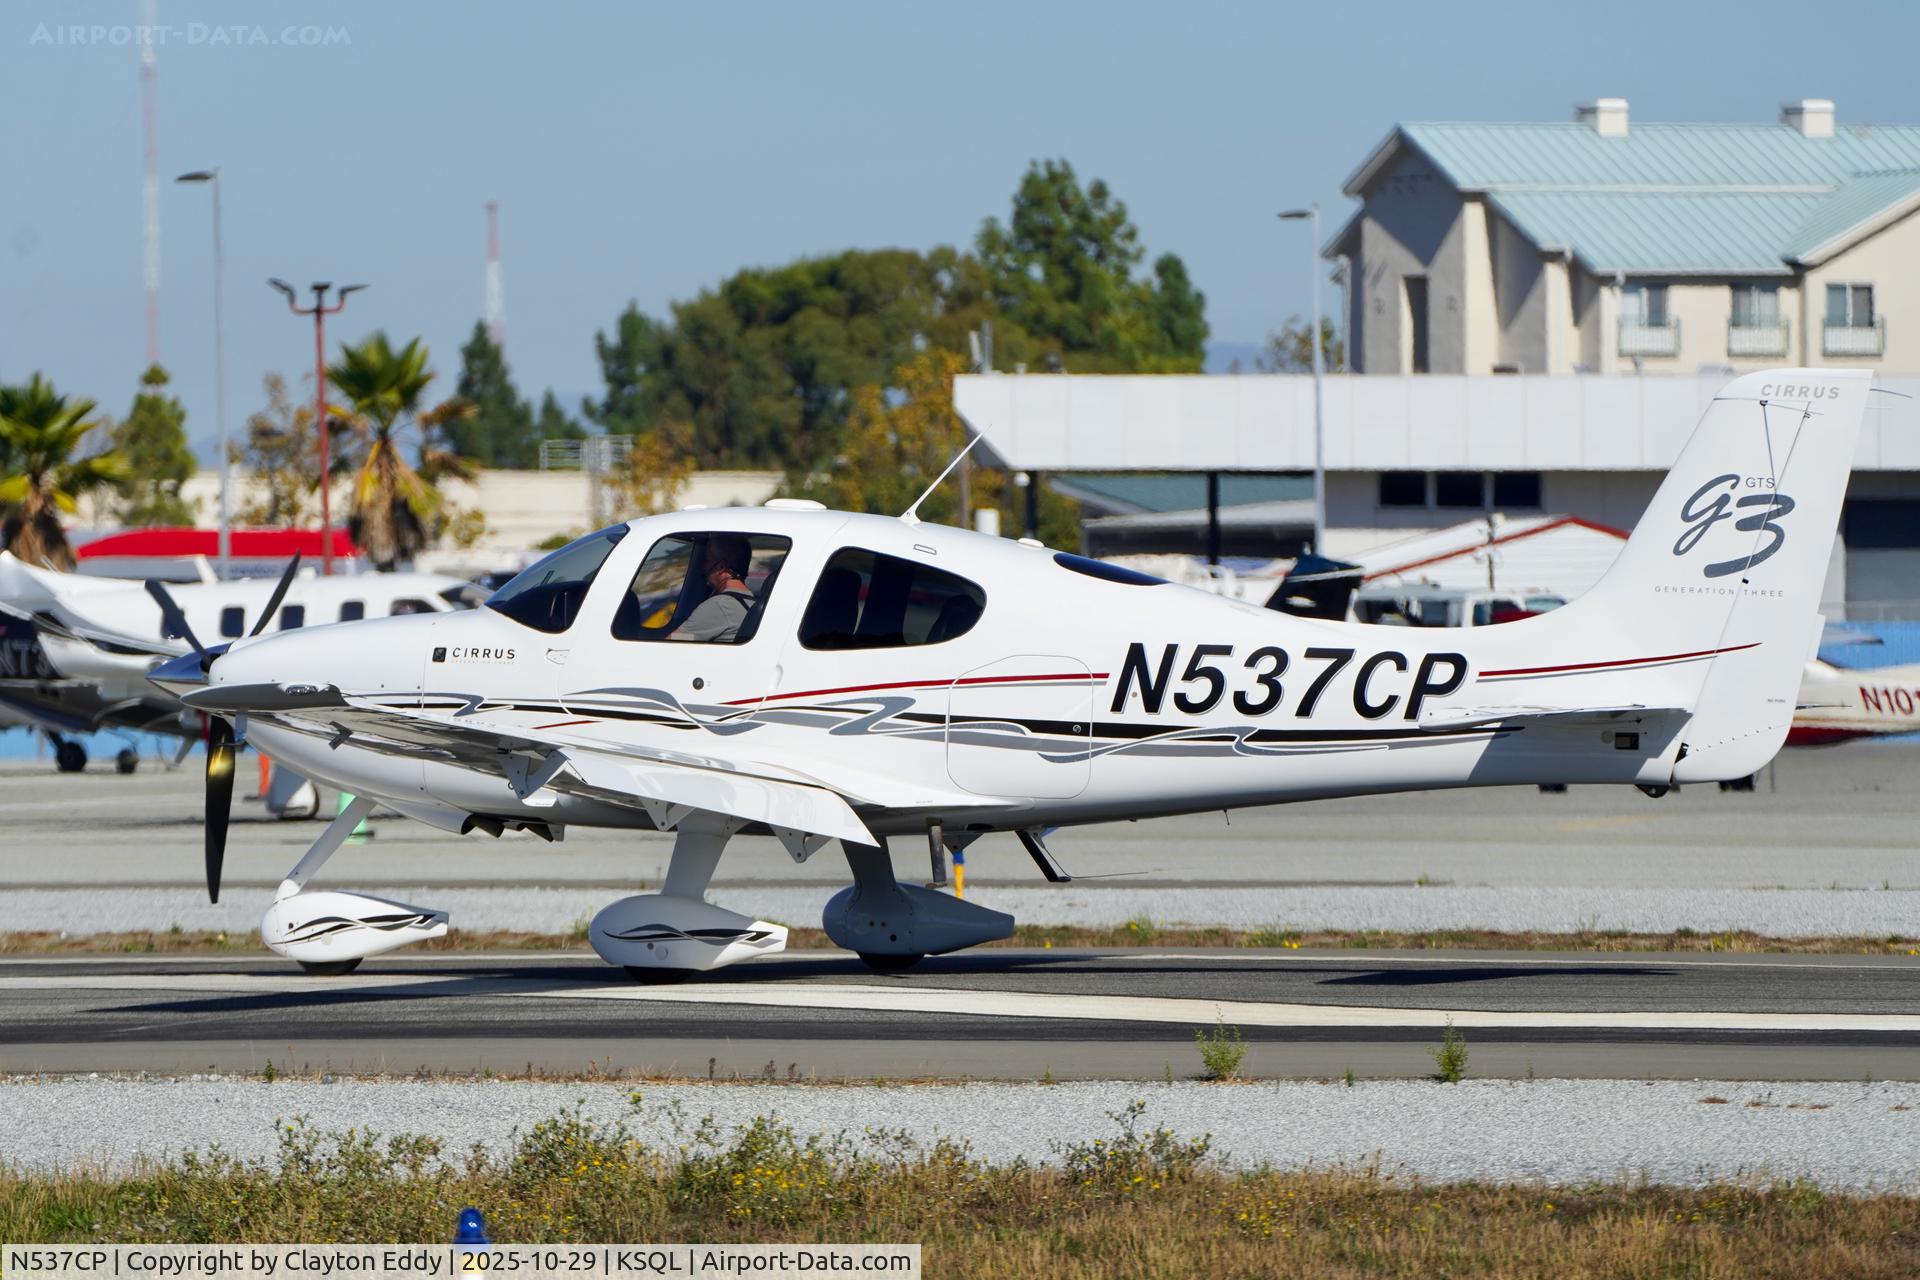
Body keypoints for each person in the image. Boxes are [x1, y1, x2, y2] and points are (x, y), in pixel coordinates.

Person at [668, 535, 755, 642]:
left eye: (707, 560)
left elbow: (671, 643)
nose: (703, 567)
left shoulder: (720, 606)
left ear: (721, 567)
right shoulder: (752, 601)